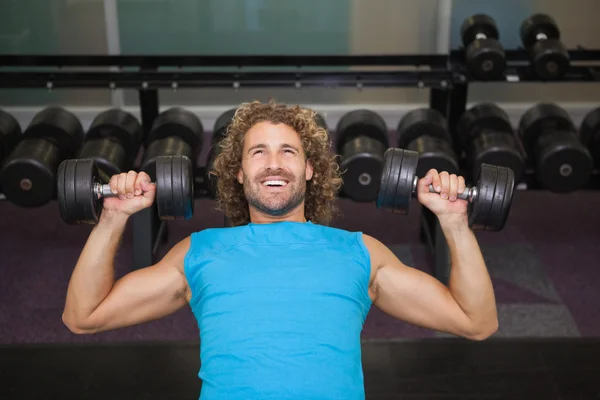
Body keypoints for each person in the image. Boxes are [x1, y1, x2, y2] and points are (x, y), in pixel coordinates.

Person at [62, 100, 498, 400]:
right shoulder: (200, 252)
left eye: (288, 151)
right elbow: (84, 316)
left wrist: (455, 221)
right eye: (258, 152)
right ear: (237, 173)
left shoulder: (359, 253)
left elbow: (476, 322)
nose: (274, 163)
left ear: (310, 170)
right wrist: (114, 216)